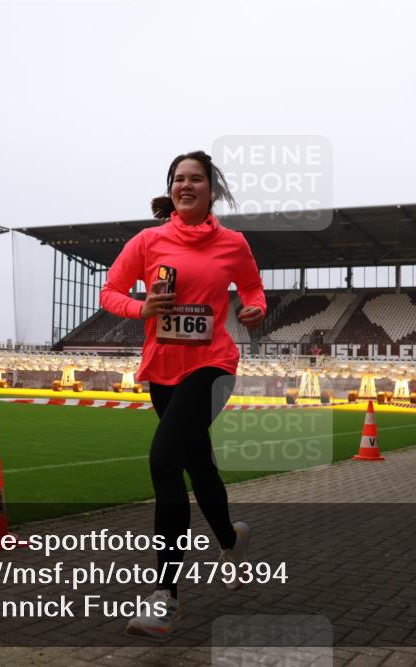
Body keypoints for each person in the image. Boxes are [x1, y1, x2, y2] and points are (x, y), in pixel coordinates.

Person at [100, 150, 266, 637]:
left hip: (213, 366)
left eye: (196, 179)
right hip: (163, 372)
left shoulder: (233, 244)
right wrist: (141, 307)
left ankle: (165, 596)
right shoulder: (148, 241)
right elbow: (109, 291)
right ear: (170, 189)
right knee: (199, 465)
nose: (186, 185)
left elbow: (253, 290)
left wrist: (254, 310)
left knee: (163, 461)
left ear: (212, 190)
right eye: (178, 179)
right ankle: (232, 542)